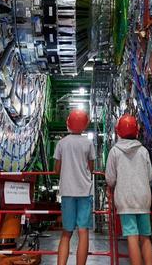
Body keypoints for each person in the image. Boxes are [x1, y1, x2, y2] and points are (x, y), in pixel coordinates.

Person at [106, 114, 152, 265]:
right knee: (146, 238)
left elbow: (110, 179)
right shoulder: (143, 151)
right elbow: (150, 177)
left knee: (132, 238)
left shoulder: (115, 151)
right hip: (143, 199)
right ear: (137, 131)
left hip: (126, 200)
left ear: (117, 131)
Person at [54, 109, 95, 265]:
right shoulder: (88, 143)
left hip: (67, 191)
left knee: (66, 233)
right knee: (83, 232)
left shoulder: (62, 143)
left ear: (68, 124)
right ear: (84, 126)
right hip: (84, 191)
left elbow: (56, 169)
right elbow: (91, 168)